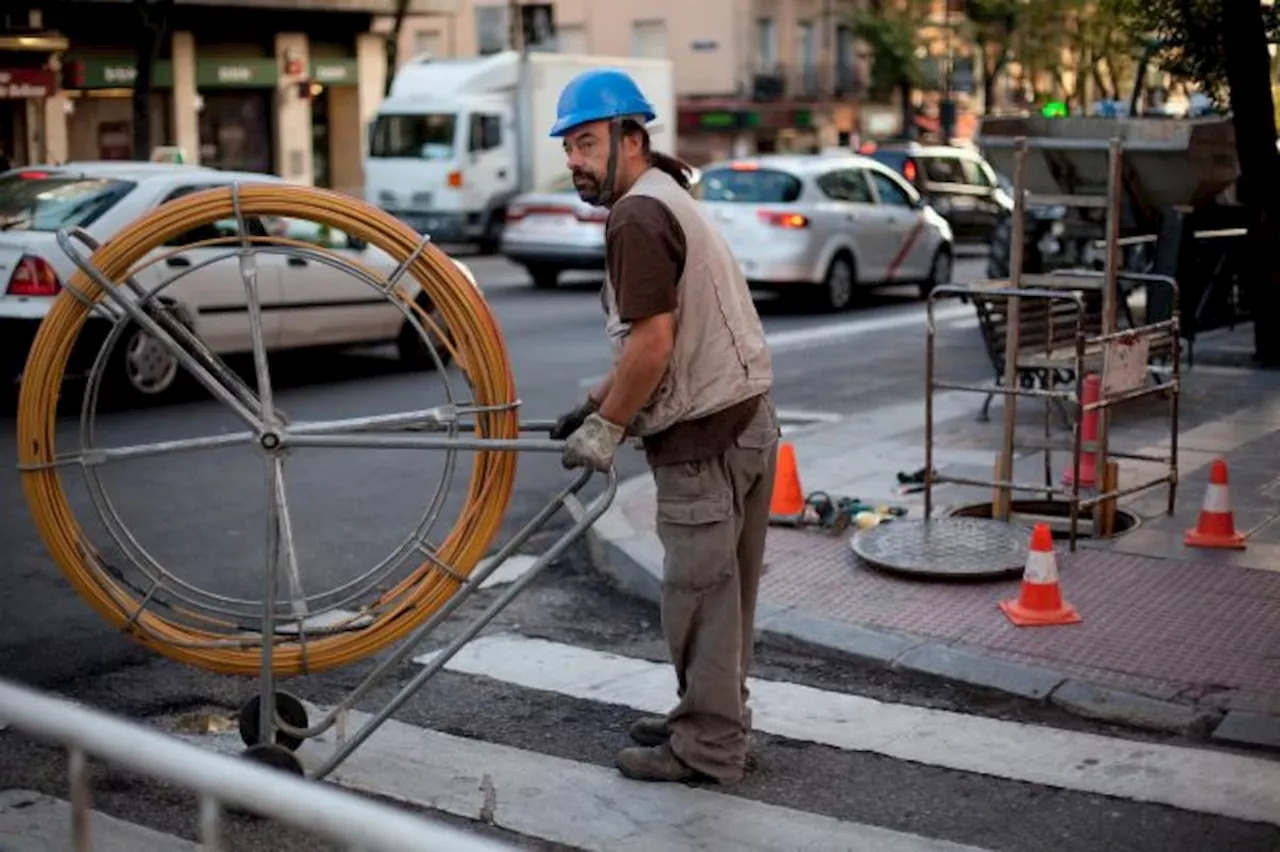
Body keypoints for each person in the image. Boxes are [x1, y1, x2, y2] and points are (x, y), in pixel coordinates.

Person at [547, 67, 779, 787]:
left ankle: (706, 748)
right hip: (746, 422)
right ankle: (716, 717)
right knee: (727, 596)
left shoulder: (636, 216)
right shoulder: (667, 193)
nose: (575, 162)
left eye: (587, 143)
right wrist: (598, 400)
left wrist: (608, 428)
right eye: (569, 149)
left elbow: (654, 343)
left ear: (632, 138)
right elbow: (660, 340)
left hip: (705, 442)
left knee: (699, 599)